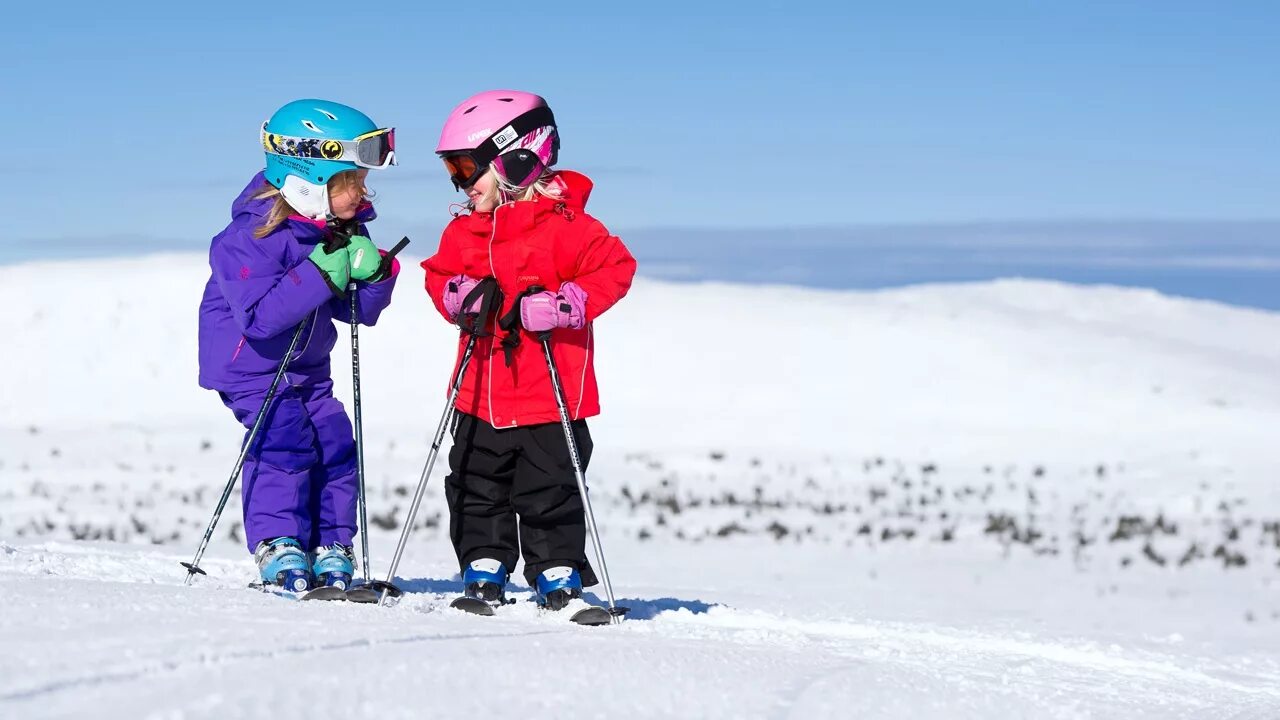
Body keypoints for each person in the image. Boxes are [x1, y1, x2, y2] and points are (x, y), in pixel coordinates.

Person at [422, 90, 637, 611]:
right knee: (474, 479)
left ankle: (555, 566)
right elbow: (438, 273)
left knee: (551, 486)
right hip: (478, 392)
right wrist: (453, 297)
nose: (461, 181)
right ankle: (484, 561)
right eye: (454, 167)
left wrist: (568, 303)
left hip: (551, 396)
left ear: (517, 159)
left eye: (469, 167)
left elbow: (616, 269)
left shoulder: (571, 229)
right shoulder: (464, 231)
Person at [197, 99, 399, 592]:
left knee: (333, 439)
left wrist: (375, 274)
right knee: (284, 437)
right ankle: (279, 542)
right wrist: (321, 273)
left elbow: (358, 314)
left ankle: (331, 544)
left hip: (307, 366)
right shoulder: (245, 238)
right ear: (308, 177)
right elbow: (261, 319)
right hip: (251, 368)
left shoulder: (338, 229)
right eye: (351, 181)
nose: (363, 192)